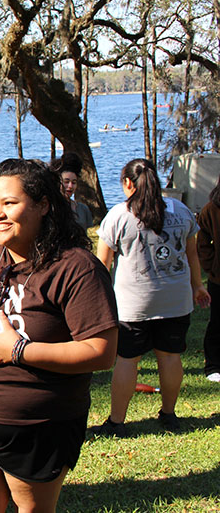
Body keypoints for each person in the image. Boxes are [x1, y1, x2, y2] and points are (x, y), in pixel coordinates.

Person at [0, 158, 118, 513]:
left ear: (43, 205)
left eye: (10, 203)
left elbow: (102, 352)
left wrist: (19, 350)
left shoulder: (75, 268)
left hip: (40, 423)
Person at [95, 158, 210, 436]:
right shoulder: (180, 210)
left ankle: (117, 421)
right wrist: (197, 286)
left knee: (127, 360)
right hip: (175, 300)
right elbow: (191, 254)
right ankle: (169, 414)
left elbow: (102, 265)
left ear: (127, 183)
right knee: (171, 358)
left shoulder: (119, 216)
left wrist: (98, 300)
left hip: (133, 305)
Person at [197, 174, 220, 383]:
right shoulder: (211, 209)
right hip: (218, 278)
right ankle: (213, 364)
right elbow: (202, 243)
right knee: (217, 322)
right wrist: (211, 267)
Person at [50, 152, 92, 229]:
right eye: (66, 182)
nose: (70, 186)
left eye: (74, 182)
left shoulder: (83, 209)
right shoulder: (50, 208)